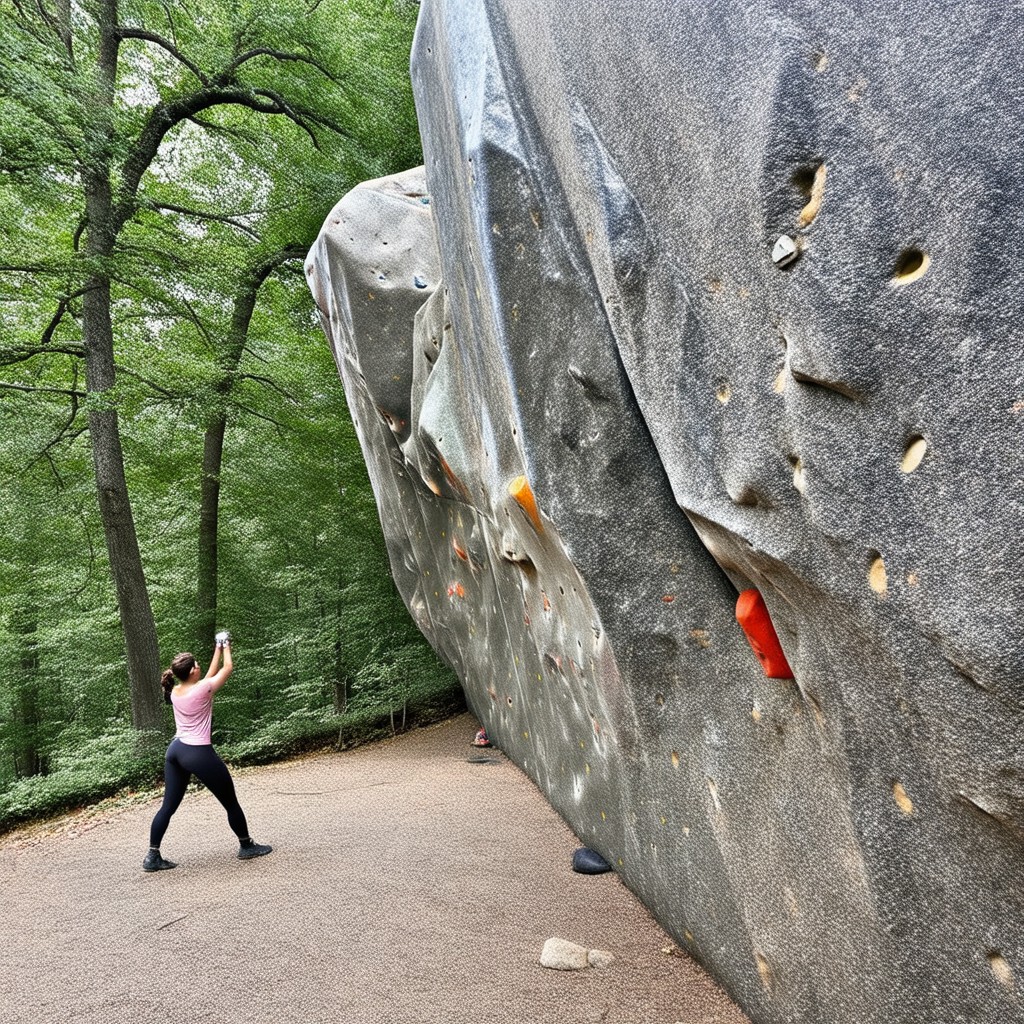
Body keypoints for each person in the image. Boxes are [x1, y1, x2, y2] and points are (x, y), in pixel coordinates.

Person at [144, 631, 272, 872]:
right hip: (198, 753)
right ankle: (246, 846)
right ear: (192, 671)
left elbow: (210, 674)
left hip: (175, 751)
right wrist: (226, 647)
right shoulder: (202, 689)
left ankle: (152, 856)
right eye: (197, 665)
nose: (200, 667)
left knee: (167, 807)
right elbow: (227, 668)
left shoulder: (175, 691)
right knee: (230, 802)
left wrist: (217, 646)